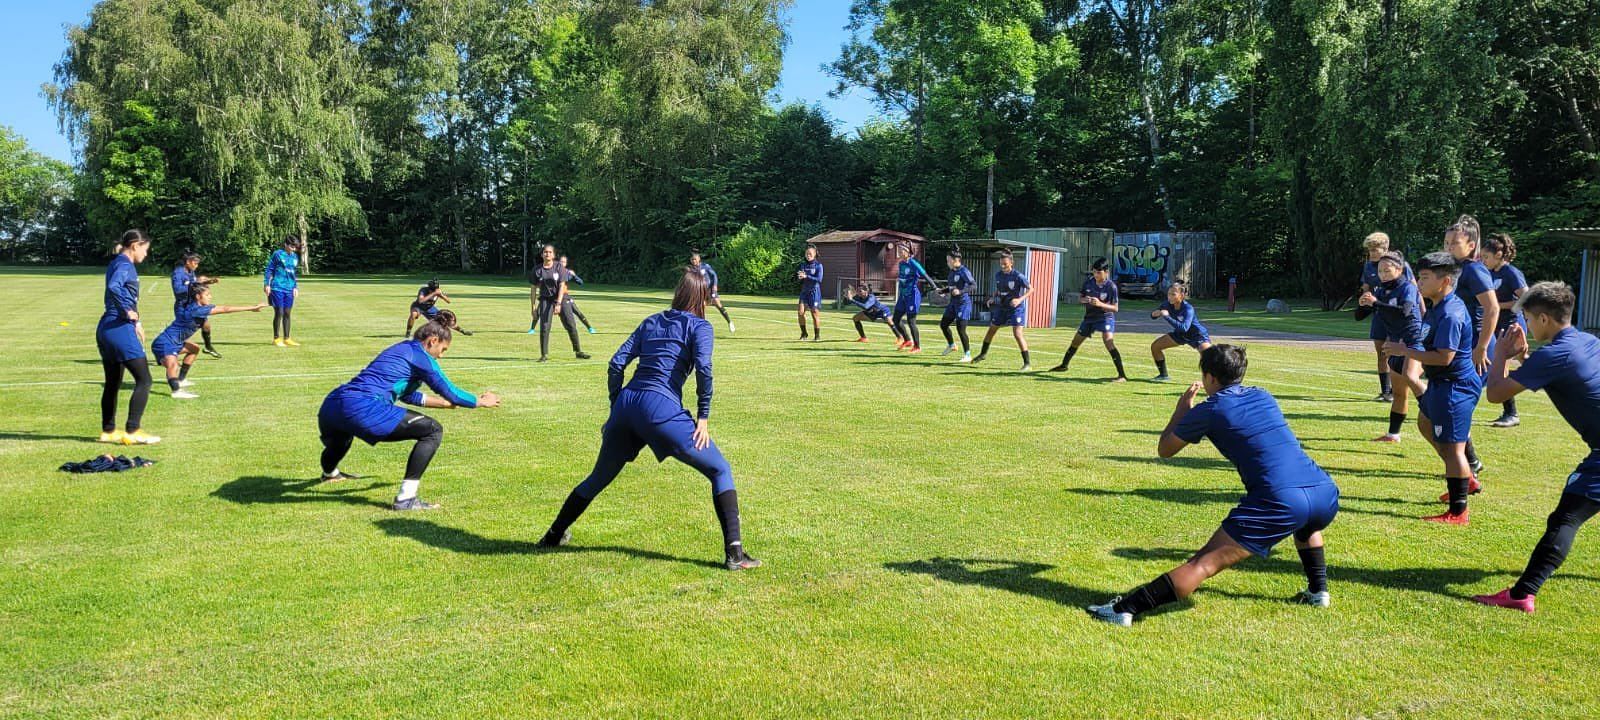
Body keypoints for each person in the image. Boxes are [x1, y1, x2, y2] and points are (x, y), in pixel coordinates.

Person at [1086, 345, 1339, 627]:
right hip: (1323, 490)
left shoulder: (1210, 409)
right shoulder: (1263, 395)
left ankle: (1125, 609)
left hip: (1280, 499)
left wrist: (1182, 410)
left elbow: (1165, 449)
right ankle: (1319, 592)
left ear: (1210, 378)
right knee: (1307, 526)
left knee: (1203, 564)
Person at [537, 269, 761, 571]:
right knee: (720, 469)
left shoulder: (652, 320)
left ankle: (552, 536)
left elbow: (616, 363)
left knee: (598, 478)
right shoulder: (701, 327)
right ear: (703, 298)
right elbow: (705, 369)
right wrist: (703, 416)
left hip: (628, 404)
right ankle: (735, 553)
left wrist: (616, 406)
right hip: (660, 408)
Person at [1474, 283, 1600, 613]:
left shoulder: (1554, 355)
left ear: (1543, 318)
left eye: (1528, 319)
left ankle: (1522, 594)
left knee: (1566, 519)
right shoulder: (1588, 340)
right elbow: (1560, 374)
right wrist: (1525, 356)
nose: (1527, 326)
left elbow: (1496, 393)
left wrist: (1500, 353)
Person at [317, 321, 501, 509]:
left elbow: (406, 394)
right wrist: (480, 401)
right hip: (363, 407)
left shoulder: (402, 349)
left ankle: (330, 474)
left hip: (332, 405)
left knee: (341, 439)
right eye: (443, 349)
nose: (441, 356)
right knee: (432, 431)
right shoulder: (422, 358)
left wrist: (443, 405)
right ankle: (406, 499)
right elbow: (451, 391)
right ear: (433, 341)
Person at [1383, 252, 1480, 524]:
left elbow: (1444, 357)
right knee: (1425, 423)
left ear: (1445, 281)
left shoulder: (1450, 313)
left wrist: (1405, 351)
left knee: (1453, 450)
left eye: (1424, 278)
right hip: (1441, 384)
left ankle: (1458, 511)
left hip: (1454, 387)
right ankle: (1464, 479)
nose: (1419, 283)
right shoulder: (1436, 305)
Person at [97, 230, 161, 445]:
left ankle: (108, 431)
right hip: (118, 327)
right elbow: (114, 287)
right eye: (145, 249)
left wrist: (137, 322)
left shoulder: (116, 262)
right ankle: (133, 431)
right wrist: (127, 312)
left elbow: (121, 292)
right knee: (145, 379)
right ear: (135, 245)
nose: (146, 254)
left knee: (113, 382)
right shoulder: (125, 265)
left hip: (107, 327)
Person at [1356, 251, 1427, 443]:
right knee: (1398, 393)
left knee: (1411, 378)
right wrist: (1363, 304)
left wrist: (1376, 303)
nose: (1383, 274)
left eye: (1387, 270)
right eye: (1380, 270)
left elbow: (1403, 312)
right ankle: (1393, 435)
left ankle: (1435, 407)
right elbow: (1359, 317)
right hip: (1395, 344)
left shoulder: (1407, 288)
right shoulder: (1380, 290)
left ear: (1399, 269)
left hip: (1413, 342)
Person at [152, 285, 265, 398]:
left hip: (174, 342)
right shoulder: (197, 310)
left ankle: (180, 380)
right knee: (173, 365)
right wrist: (252, 308)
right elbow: (226, 309)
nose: (210, 297)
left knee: (194, 349)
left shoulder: (195, 306)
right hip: (165, 342)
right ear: (198, 297)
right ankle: (176, 391)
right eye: (207, 295)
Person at [1049, 258, 1128, 381]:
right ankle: (1064, 365)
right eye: (1094, 272)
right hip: (1089, 318)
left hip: (1105, 317)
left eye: (1098, 272)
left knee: (1108, 341)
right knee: (1076, 341)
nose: (1096, 275)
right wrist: (1084, 300)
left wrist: (1100, 304)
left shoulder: (1111, 287)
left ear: (1106, 272)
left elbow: (1115, 308)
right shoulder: (1088, 282)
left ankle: (1122, 375)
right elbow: (1081, 298)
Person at [1359, 233, 1412, 401]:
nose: (1372, 254)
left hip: (1396, 314)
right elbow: (1366, 287)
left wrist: (1421, 313)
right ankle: (1386, 391)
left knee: (1394, 353)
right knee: (1381, 353)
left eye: (1376, 250)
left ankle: (1401, 390)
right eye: (1370, 250)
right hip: (1379, 314)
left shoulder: (1400, 265)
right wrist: (1364, 299)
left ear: (1386, 248)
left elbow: (1413, 288)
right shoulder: (1368, 267)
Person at [1482, 233, 1527, 428]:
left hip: (1511, 325)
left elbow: (1526, 298)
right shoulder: (1489, 273)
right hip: (1496, 324)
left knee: (1502, 366)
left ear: (1499, 255)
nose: (1483, 260)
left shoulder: (1511, 273)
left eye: (1486, 257)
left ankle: (1511, 413)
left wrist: (1500, 305)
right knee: (1505, 364)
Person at [972, 249, 1032, 370]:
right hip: (1002, 307)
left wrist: (1019, 300)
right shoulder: (998, 275)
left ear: (1011, 263)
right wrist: (992, 298)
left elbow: (1031, 289)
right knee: (991, 330)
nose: (1003, 266)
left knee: (1017, 334)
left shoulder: (1018, 276)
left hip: (1016, 309)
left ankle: (1027, 364)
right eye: (1001, 264)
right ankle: (983, 354)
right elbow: (999, 289)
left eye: (1005, 264)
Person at [529, 245, 590, 362]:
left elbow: (562, 286)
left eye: (550, 252)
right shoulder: (537, 270)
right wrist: (533, 307)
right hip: (545, 299)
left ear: (553, 255)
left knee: (571, 324)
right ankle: (544, 355)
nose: (547, 254)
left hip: (561, 298)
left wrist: (558, 303)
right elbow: (533, 289)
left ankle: (578, 351)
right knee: (545, 327)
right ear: (542, 255)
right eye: (545, 252)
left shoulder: (559, 267)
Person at [1149, 281, 1211, 382]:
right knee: (1155, 347)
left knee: (1208, 356)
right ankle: (1163, 376)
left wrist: (1167, 317)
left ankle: (1211, 382)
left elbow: (1184, 327)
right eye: (1168, 294)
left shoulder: (1188, 308)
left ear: (1181, 295)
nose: (1170, 297)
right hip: (1181, 335)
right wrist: (1154, 314)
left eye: (1173, 294)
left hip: (1197, 335)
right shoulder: (1167, 304)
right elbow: (1153, 315)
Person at [171, 250, 221, 358]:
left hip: (193, 306)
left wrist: (208, 282)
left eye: (198, 263)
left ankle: (208, 347)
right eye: (195, 263)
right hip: (183, 308)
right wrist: (194, 284)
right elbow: (178, 290)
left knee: (206, 325)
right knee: (182, 334)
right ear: (188, 261)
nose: (197, 265)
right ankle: (166, 352)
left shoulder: (190, 271)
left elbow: (195, 285)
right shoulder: (178, 273)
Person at [891, 244, 935, 353]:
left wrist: (934, 286)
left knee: (911, 322)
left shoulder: (914, 263)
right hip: (903, 296)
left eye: (901, 250)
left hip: (912, 296)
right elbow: (903, 277)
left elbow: (925, 275)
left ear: (908, 252)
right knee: (896, 319)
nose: (899, 252)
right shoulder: (901, 264)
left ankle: (917, 347)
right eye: (899, 250)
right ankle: (907, 340)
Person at [263, 235, 303, 347]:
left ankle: (287, 338)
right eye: (291, 246)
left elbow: (293, 273)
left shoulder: (295, 257)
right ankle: (276, 338)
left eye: (295, 247)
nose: (293, 249)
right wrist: (267, 284)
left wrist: (295, 287)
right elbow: (269, 269)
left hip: (289, 289)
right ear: (285, 244)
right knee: (279, 312)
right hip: (277, 287)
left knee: (287, 313)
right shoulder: (277, 254)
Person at [937, 248, 976, 362]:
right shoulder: (952, 272)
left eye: (948, 260)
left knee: (961, 329)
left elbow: (973, 285)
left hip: (963, 304)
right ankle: (951, 345)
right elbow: (951, 287)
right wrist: (942, 291)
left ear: (955, 260)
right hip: (953, 303)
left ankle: (967, 355)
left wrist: (960, 291)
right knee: (944, 324)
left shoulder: (964, 271)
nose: (947, 262)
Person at [690, 251, 735, 333]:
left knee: (718, 304)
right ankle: (701, 328)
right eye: (692, 260)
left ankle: (729, 322)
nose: (694, 261)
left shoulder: (705, 266)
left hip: (710, 289)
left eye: (695, 259)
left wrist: (714, 285)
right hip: (701, 291)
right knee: (701, 307)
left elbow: (714, 275)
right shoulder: (691, 270)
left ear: (699, 259)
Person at [558, 255, 597, 334]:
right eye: (561, 261)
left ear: (566, 263)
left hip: (565, 297)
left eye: (564, 262)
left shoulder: (568, 272)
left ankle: (590, 328)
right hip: (554, 298)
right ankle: (532, 329)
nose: (562, 263)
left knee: (577, 312)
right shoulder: (554, 272)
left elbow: (580, 282)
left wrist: (574, 275)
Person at [796, 245, 824, 341]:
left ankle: (817, 336)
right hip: (804, 292)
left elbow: (819, 279)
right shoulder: (803, 265)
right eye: (807, 254)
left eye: (810, 254)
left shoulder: (818, 266)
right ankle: (804, 334)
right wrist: (799, 277)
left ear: (815, 254)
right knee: (800, 313)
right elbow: (800, 277)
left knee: (814, 313)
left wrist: (806, 276)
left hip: (814, 292)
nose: (808, 255)